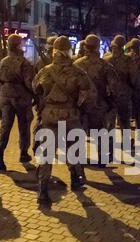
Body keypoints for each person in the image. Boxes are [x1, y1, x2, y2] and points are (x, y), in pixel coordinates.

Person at [32, 36, 96, 205]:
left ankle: (43, 191)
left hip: (49, 116)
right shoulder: (78, 72)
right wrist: (79, 107)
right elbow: (87, 94)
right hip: (70, 116)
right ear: (69, 51)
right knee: (73, 150)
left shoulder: (44, 71)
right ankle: (75, 178)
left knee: (46, 154)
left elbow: (35, 89)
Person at [74, 34, 119, 167]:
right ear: (98, 47)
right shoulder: (105, 65)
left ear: (85, 47)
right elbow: (114, 86)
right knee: (100, 133)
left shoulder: (77, 64)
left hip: (80, 105)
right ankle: (102, 159)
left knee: (79, 133)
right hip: (98, 104)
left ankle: (79, 159)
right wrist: (112, 101)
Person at [0, 34, 35, 171]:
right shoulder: (24, 63)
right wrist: (36, 95)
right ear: (18, 45)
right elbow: (30, 83)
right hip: (21, 98)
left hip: (6, 96)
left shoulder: (3, 61)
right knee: (24, 126)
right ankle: (23, 153)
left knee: (5, 127)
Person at [103, 35, 133, 131]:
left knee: (109, 120)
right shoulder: (129, 60)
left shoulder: (106, 59)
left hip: (109, 94)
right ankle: (126, 143)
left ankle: (109, 142)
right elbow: (133, 79)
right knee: (124, 120)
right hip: (123, 94)